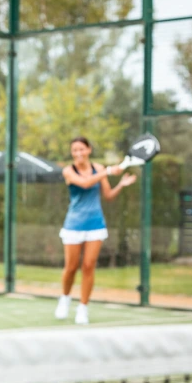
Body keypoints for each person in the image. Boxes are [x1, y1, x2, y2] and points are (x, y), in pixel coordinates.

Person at [55, 137, 137, 324]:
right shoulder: (68, 171)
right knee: (71, 267)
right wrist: (108, 171)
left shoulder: (99, 169)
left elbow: (107, 196)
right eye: (74, 150)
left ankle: (83, 308)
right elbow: (85, 183)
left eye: (82, 149)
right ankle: (65, 298)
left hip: (95, 225)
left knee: (89, 266)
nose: (78, 153)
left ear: (89, 150)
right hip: (73, 225)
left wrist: (121, 185)